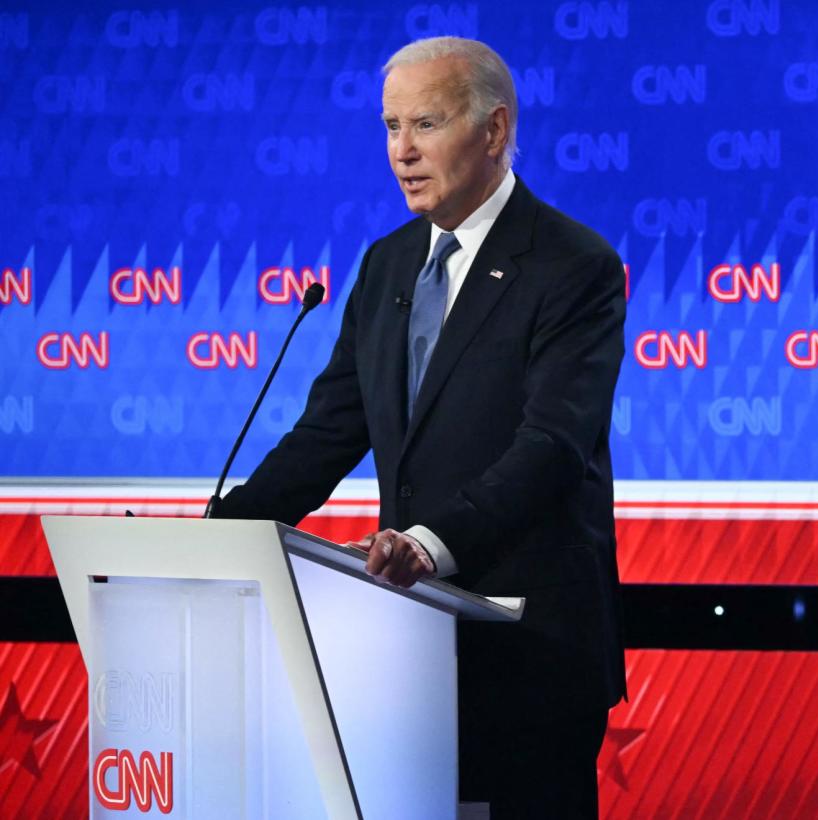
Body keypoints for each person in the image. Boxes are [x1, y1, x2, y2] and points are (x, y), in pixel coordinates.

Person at [215, 36, 627, 818]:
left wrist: (429, 543)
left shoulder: (573, 266)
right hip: (407, 655)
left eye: (426, 125)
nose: (402, 152)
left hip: (529, 653)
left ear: (495, 129)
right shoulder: (387, 264)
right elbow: (328, 434)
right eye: (391, 127)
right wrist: (219, 530)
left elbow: (552, 446)